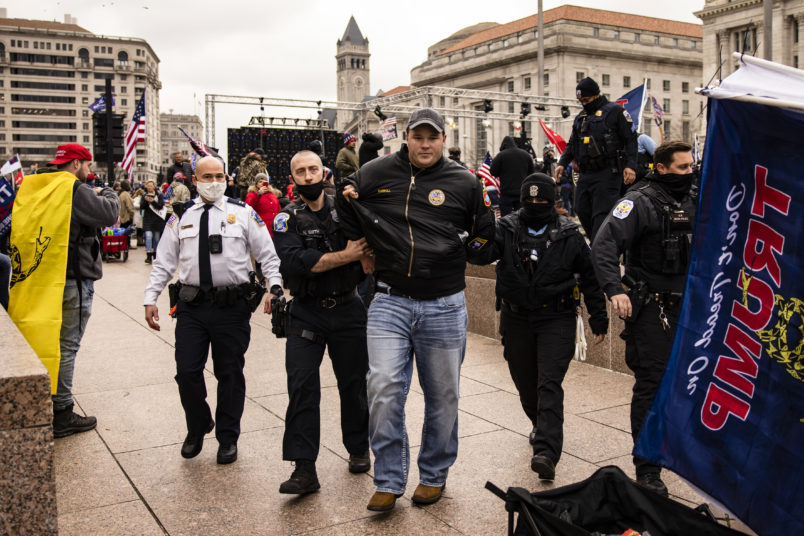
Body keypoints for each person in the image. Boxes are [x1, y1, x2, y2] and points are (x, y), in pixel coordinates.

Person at [336, 107, 495, 512]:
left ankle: (434, 475)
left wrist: (465, 251)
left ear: (443, 140)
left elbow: (484, 237)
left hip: (444, 304)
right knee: (384, 389)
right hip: (389, 300)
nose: (425, 144)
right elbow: (344, 201)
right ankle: (389, 479)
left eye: (432, 137)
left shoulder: (463, 182)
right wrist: (363, 248)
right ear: (406, 137)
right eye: (418, 136)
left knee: (443, 396)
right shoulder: (375, 171)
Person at [143, 156, 282, 464]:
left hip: (232, 307)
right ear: (195, 180)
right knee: (187, 371)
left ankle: (228, 437)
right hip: (192, 306)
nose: (215, 181)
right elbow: (165, 261)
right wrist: (150, 297)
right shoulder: (181, 216)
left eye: (220, 175)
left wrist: (274, 286)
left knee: (230, 373)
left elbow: (267, 255)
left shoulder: (243, 213)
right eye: (207, 176)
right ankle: (198, 424)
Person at [481, 173, 608, 479]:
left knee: (548, 383)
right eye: (530, 199)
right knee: (526, 385)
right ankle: (540, 424)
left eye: (542, 200)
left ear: (554, 202)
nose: (535, 204)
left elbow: (590, 279)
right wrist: (479, 225)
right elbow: (482, 253)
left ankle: (546, 451)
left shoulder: (569, 234)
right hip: (516, 317)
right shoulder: (506, 228)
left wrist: (598, 317)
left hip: (557, 317)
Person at [591, 141, 697, 497]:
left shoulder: (698, 198)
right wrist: (614, 290)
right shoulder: (638, 200)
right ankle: (648, 467)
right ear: (662, 168)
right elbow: (604, 245)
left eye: (691, 166)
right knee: (651, 387)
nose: (689, 172)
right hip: (653, 309)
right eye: (682, 168)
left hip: (694, 309)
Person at [272, 150, 372, 495]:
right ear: (293, 178)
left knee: (354, 385)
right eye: (301, 171)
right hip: (306, 311)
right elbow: (296, 262)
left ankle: (359, 448)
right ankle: (304, 469)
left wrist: (360, 258)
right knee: (301, 387)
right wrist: (345, 256)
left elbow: (370, 244)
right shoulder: (285, 218)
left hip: (348, 309)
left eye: (313, 169)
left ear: (323, 171)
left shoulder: (344, 209)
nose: (309, 176)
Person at [29, 144, 119, 436]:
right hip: (73, 276)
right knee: (67, 345)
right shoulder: (74, 189)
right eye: (88, 166)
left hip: (43, 275)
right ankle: (62, 411)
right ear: (77, 163)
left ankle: (42, 402)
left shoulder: (37, 186)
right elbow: (108, 213)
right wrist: (107, 192)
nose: (89, 172)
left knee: (48, 341)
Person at [555, 77, 637, 241]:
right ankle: (598, 243)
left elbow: (630, 140)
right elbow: (572, 143)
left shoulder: (615, 112)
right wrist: (562, 163)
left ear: (596, 95)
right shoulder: (581, 117)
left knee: (601, 213)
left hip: (608, 172)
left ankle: (601, 248)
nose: (583, 103)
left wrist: (631, 166)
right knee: (581, 208)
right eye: (580, 101)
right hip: (586, 173)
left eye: (586, 99)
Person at [490, 136, 535, 216]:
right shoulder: (525, 154)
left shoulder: (501, 155)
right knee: (521, 217)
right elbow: (531, 173)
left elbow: (493, 172)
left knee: (506, 219)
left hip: (506, 192)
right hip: (522, 192)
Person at [245, 173, 281, 237]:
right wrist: (259, 194)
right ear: (256, 184)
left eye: (264, 182)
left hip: (274, 227)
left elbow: (278, 209)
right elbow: (248, 207)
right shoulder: (252, 194)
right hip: (261, 227)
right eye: (260, 182)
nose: (262, 183)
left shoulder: (272, 194)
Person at [142, 179, 166, 264]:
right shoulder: (144, 195)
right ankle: (148, 254)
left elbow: (160, 206)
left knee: (156, 238)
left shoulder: (159, 195)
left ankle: (155, 255)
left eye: (151, 186)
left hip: (157, 220)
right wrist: (146, 201)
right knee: (148, 236)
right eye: (148, 186)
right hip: (148, 219)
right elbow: (142, 207)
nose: (149, 187)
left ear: (154, 186)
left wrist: (152, 202)